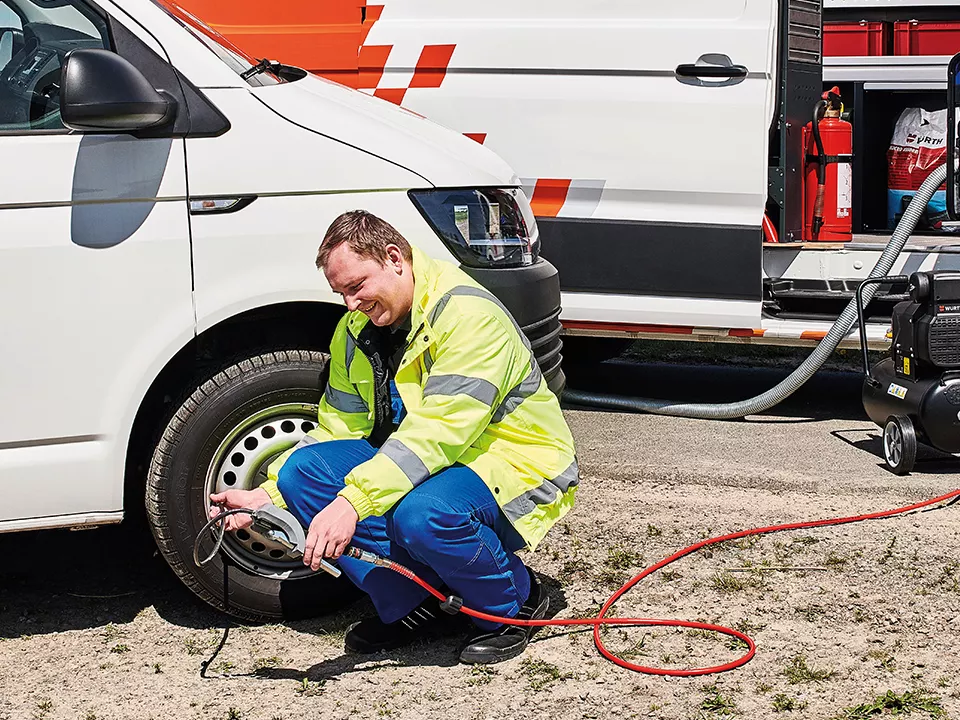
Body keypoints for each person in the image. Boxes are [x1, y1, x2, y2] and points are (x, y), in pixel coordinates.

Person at [211, 209, 578, 664]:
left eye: (357, 286)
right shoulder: (355, 332)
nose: (350, 304)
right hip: (436, 459)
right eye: (341, 292)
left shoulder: (468, 316)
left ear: (394, 258)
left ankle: (512, 602)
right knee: (304, 473)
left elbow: (439, 432)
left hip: (514, 461)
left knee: (423, 514)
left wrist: (352, 503)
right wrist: (271, 497)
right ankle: (417, 602)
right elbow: (336, 431)